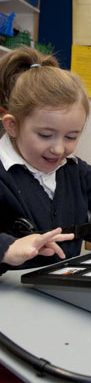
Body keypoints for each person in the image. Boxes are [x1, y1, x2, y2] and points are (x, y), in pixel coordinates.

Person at [0, 46, 91, 276]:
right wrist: (6, 248)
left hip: (60, 294)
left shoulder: (76, 170)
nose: (59, 149)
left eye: (71, 136)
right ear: (12, 125)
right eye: (45, 135)